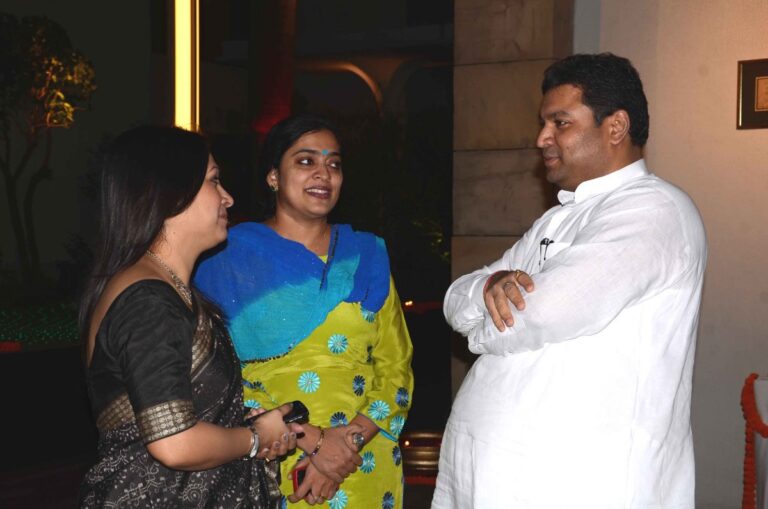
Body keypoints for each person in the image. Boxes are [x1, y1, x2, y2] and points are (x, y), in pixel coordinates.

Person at [431, 53, 707, 508]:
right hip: (504, 477)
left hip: (582, 481)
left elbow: (543, 312)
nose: (542, 138)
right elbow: (456, 296)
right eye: (544, 124)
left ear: (615, 127)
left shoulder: (655, 210)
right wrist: (489, 286)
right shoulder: (557, 219)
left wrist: (479, 328)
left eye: (560, 123)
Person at [194, 113, 414, 508]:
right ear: (273, 176)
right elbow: (212, 378)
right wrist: (310, 439)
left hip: (363, 461)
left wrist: (348, 444)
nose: (323, 174)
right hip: (274, 456)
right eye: (306, 161)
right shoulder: (225, 260)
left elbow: (395, 367)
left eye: (334, 164)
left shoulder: (366, 255)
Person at [78, 125, 302, 508]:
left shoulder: (162, 288)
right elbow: (174, 443)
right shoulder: (148, 299)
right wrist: (254, 439)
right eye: (214, 180)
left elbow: (177, 408)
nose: (227, 198)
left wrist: (250, 422)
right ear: (169, 194)